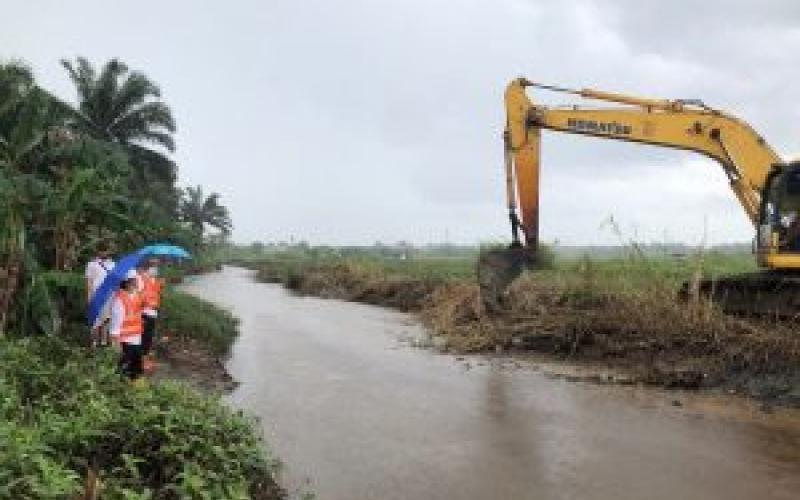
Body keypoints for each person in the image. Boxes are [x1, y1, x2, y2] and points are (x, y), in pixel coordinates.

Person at [109, 269, 144, 380]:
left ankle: (134, 384)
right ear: (128, 282)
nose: (138, 282)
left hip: (136, 339)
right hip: (125, 341)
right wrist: (116, 345)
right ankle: (121, 386)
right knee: (124, 369)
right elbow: (115, 326)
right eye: (135, 280)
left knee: (136, 368)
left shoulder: (135, 296)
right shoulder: (119, 300)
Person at [85, 241, 115, 348]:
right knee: (95, 320)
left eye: (105, 250)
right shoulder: (91, 264)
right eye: (101, 250)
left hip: (109, 295)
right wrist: (89, 297)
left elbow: (114, 281)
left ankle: (103, 342)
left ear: (108, 251)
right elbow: (89, 282)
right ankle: (94, 343)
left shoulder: (112, 264)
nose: (103, 252)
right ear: (97, 251)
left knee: (107, 319)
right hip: (96, 295)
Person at [136, 258, 164, 373]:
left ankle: (144, 357)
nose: (155, 269)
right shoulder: (142, 279)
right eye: (153, 266)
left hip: (152, 312)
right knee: (145, 338)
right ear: (148, 267)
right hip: (145, 312)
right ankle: (142, 361)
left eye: (157, 266)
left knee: (148, 337)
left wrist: (160, 286)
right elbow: (139, 294)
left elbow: (155, 295)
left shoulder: (154, 280)